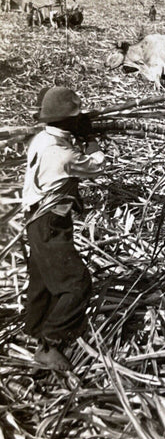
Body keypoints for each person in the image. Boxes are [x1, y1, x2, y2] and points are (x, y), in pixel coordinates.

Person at [22, 87, 106, 371]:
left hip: (35, 220)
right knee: (76, 283)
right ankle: (51, 343)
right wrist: (91, 139)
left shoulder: (41, 139)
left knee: (44, 280)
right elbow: (98, 165)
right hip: (50, 223)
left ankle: (34, 330)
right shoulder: (63, 154)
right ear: (67, 121)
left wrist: (77, 135)